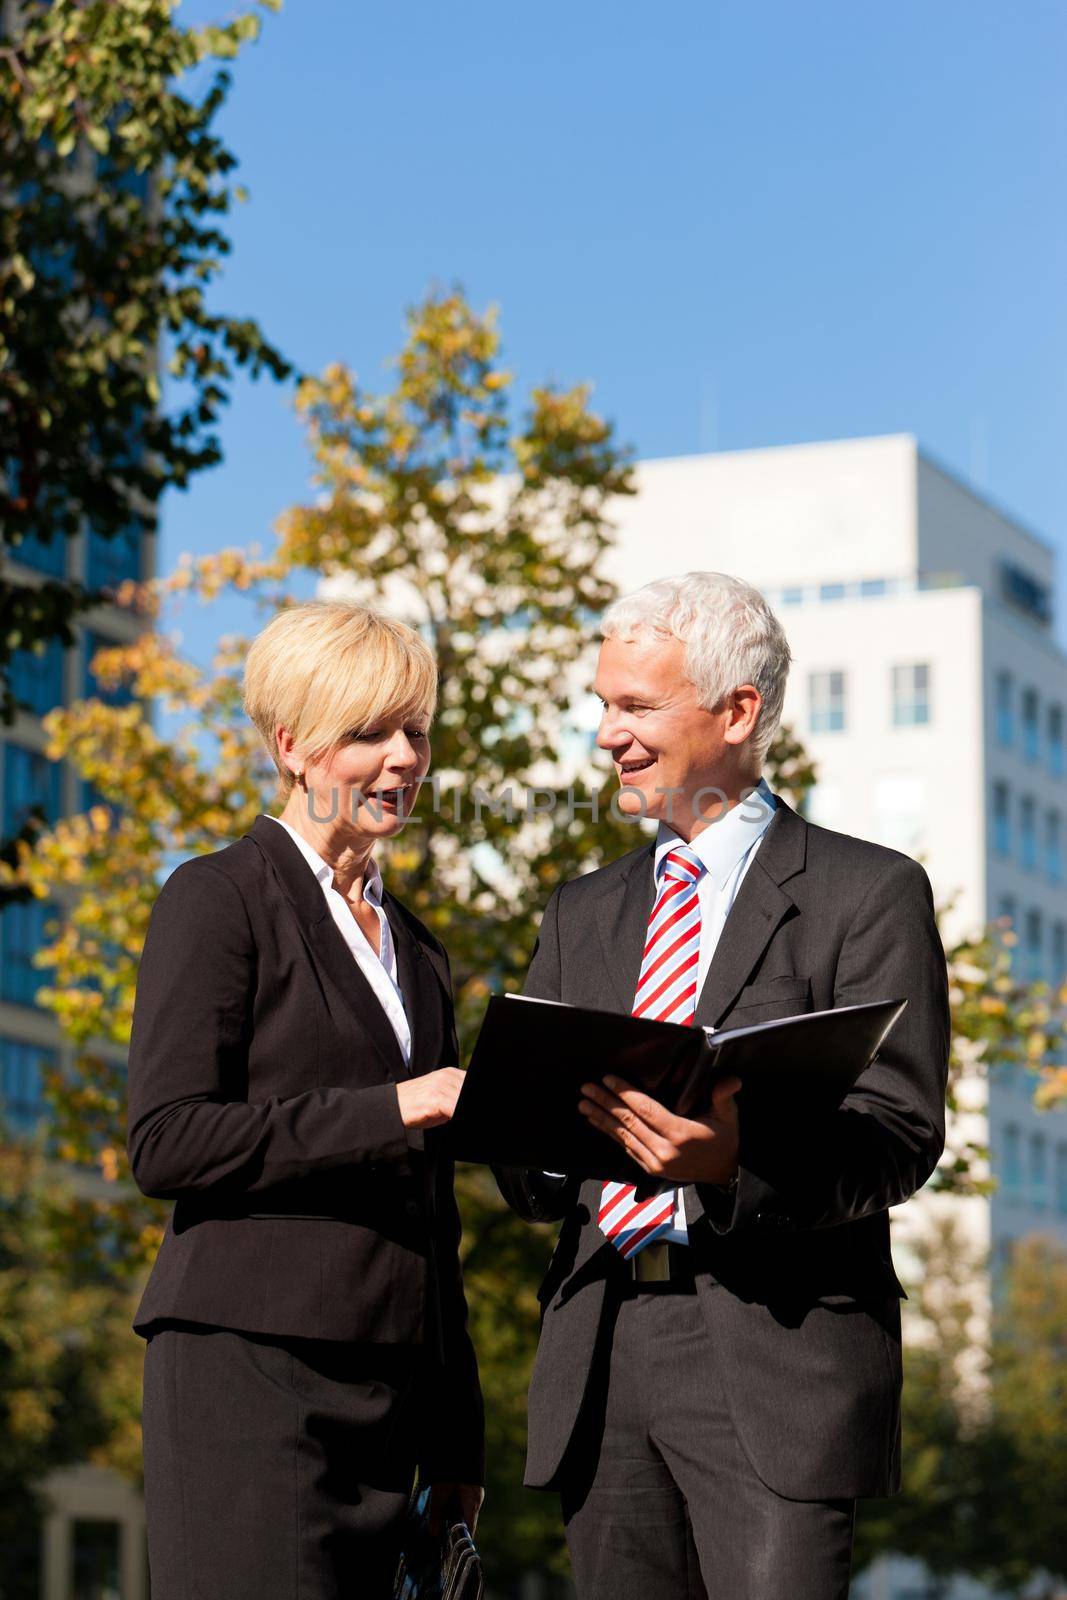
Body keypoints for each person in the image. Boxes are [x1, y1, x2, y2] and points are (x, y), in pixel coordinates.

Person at [496, 571, 950, 1600]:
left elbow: (896, 1134)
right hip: (601, 1349)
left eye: (634, 706)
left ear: (736, 711)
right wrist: (513, 1127)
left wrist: (734, 1164)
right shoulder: (581, 912)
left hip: (770, 1352)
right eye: (601, 704)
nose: (606, 734)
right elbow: (527, 1164)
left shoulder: (865, 893)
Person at [127, 600, 484, 1600]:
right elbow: (166, 1139)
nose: (404, 758)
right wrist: (392, 1107)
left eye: (414, 730)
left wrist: (459, 1448)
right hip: (250, 1376)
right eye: (371, 732)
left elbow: (435, 1215)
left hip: (392, 1404)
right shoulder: (216, 897)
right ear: (292, 744)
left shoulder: (417, 950)